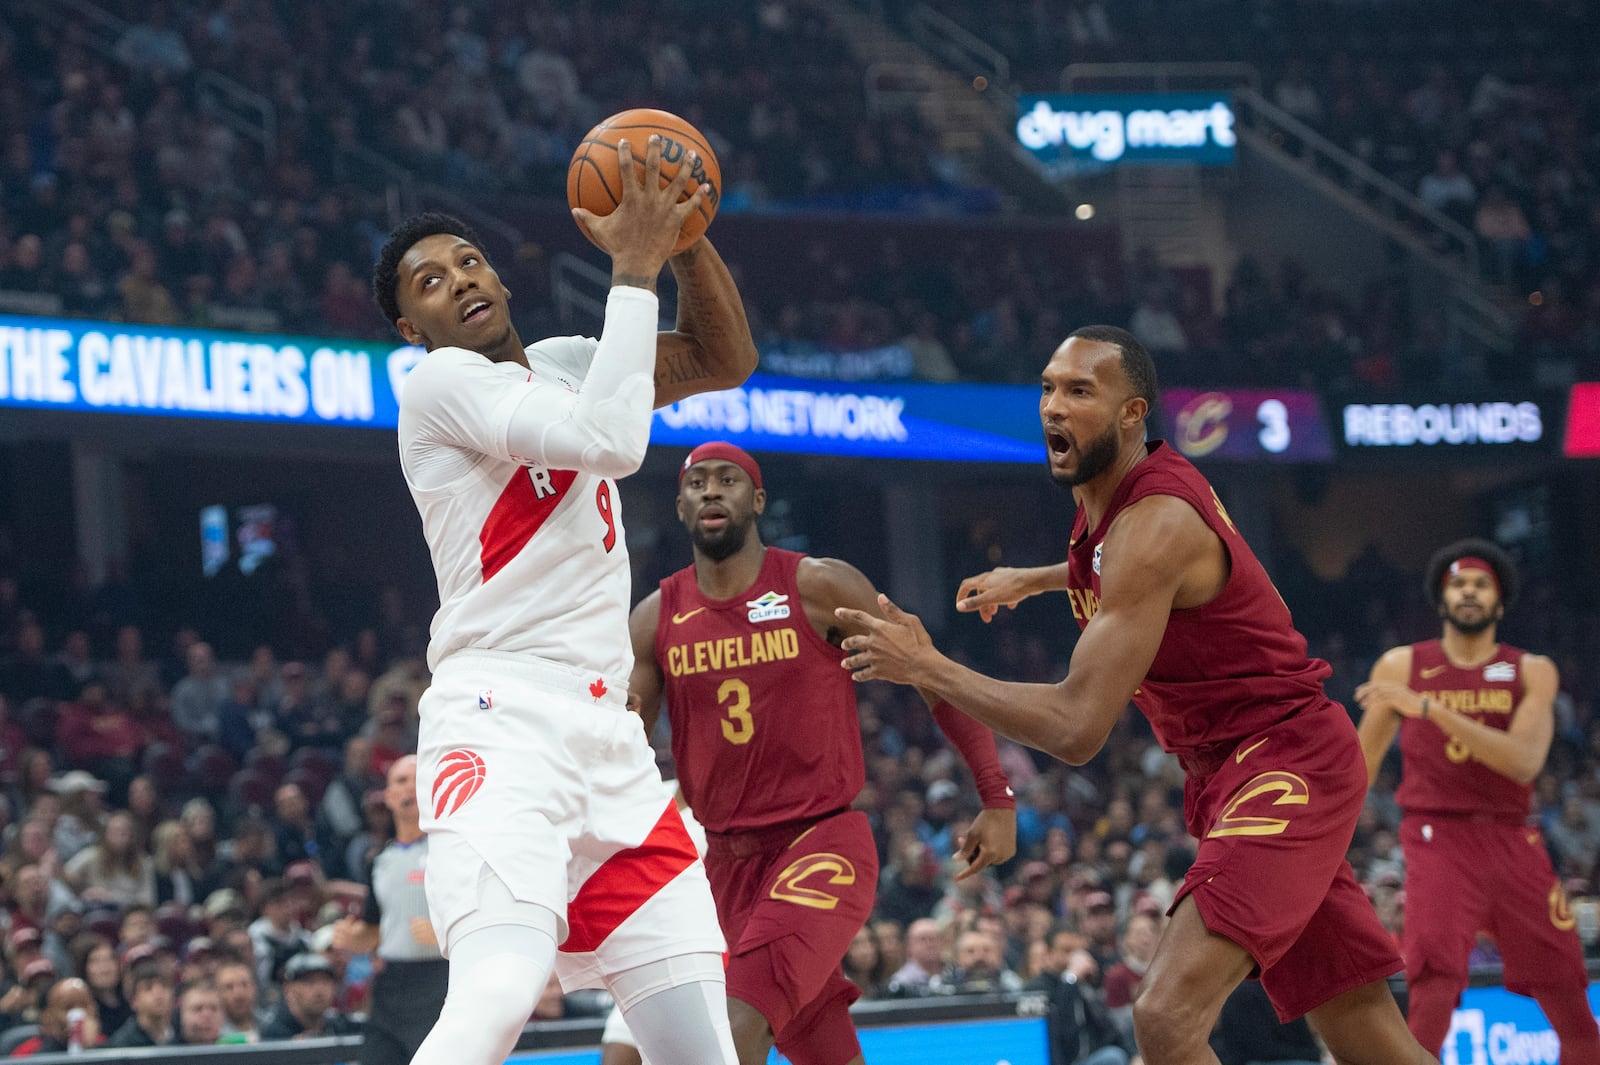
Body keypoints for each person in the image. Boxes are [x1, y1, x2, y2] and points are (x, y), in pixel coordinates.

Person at [835, 326, 1436, 1064]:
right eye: (1049, 387)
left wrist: (926, 665)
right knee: (1359, 1022)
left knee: (1163, 1013)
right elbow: (1114, 568)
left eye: (1080, 391)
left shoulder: (1154, 523)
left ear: (1132, 414)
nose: (1055, 406)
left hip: (1286, 760)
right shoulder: (1113, 506)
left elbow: (1078, 725)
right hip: (1239, 766)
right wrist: (1035, 576)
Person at [372, 131, 759, 1065]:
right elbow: (614, 442)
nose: (458, 278)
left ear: (502, 280)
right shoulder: (437, 385)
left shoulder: (567, 360)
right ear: (412, 329)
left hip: (609, 745)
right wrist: (633, 262)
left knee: (697, 1047)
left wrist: (683, 235)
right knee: (498, 996)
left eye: (468, 260)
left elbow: (724, 356)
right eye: (428, 282)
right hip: (498, 724)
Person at [629, 441, 1016, 1065]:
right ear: (679, 504)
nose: (710, 491)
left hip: (820, 843)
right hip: (726, 865)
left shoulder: (817, 585)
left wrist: (996, 794)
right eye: (696, 482)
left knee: (731, 1034)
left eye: (727, 480)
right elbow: (619, 744)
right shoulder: (655, 618)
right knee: (820, 1049)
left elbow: (933, 677)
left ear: (757, 500)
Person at [1355, 540, 1600, 1059]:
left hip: (1514, 836)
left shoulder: (1532, 669)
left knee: (1569, 994)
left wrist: (1430, 708)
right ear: (1442, 601)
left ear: (1500, 602)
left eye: (1480, 584)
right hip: (1436, 837)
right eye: (1458, 584)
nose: (1469, 591)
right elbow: (1360, 767)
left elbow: (1523, 762)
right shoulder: (1400, 665)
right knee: (1434, 988)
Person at [330, 755, 444, 1065]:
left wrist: (448, 933)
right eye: (401, 781)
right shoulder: (378, 861)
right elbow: (375, 929)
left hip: (441, 981)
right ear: (389, 797)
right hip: (391, 986)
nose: (410, 789)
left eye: (418, 780)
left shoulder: (451, 850)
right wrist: (353, 939)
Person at [1022, 928, 1129, 1065]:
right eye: (1066, 951)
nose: (1073, 958)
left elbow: (1107, 1029)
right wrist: (1070, 978)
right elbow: (1061, 1035)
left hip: (1088, 1057)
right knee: (1113, 1058)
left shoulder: (1080, 985)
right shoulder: (1036, 988)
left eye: (1077, 952)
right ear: (1049, 954)